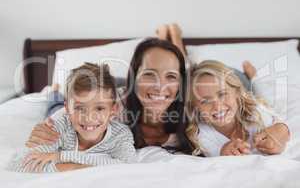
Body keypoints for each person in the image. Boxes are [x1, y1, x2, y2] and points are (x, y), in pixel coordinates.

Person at [25, 38, 195, 155]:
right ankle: (54, 91)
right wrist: (46, 131)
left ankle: (173, 36)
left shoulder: (191, 111)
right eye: (149, 74)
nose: (160, 86)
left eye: (171, 76)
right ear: (134, 76)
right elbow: (61, 120)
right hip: (121, 91)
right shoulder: (113, 104)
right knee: (56, 103)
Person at [8, 63, 136, 172]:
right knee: (54, 106)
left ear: (113, 110)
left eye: (99, 108)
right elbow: (19, 164)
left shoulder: (121, 134)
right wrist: (85, 165)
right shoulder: (60, 128)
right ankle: (54, 91)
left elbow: (127, 165)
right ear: (68, 109)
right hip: (59, 112)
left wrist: (61, 157)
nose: (89, 118)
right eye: (80, 108)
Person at [186, 60, 290, 157]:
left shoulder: (255, 112)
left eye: (222, 94)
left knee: (264, 98)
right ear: (195, 107)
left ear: (237, 92)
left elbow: (280, 125)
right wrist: (223, 151)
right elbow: (215, 157)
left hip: (247, 93)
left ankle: (253, 77)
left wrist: (281, 132)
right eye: (205, 101)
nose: (217, 107)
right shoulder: (201, 134)